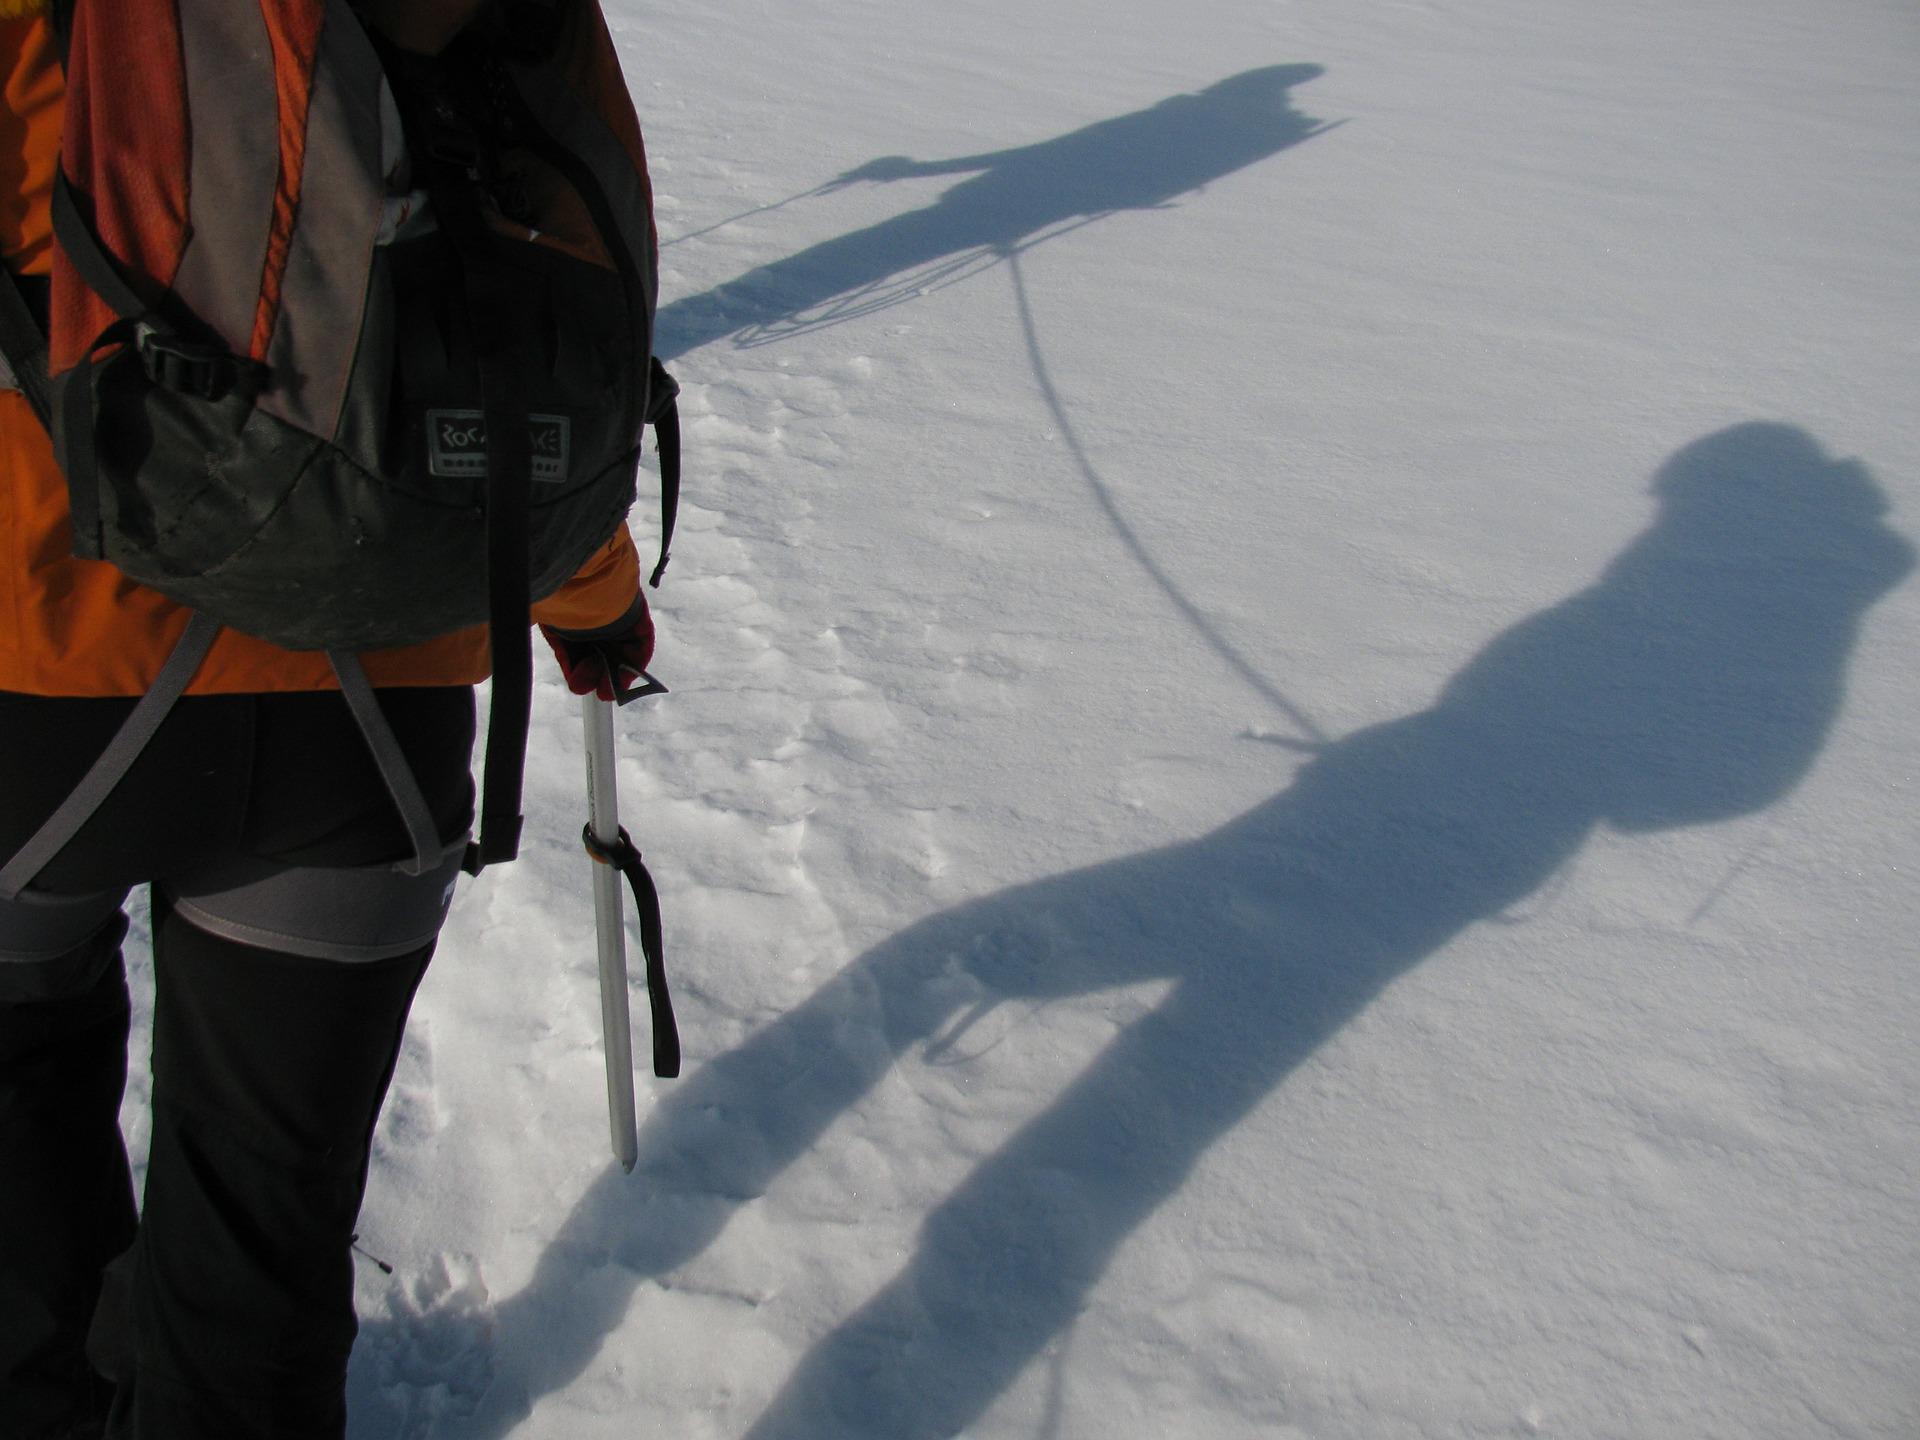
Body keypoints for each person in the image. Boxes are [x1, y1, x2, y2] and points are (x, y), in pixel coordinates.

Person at [0, 1, 660, 1435]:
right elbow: (554, 301)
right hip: (370, 701)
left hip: (34, 668)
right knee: (261, 1242)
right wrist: (591, 600)